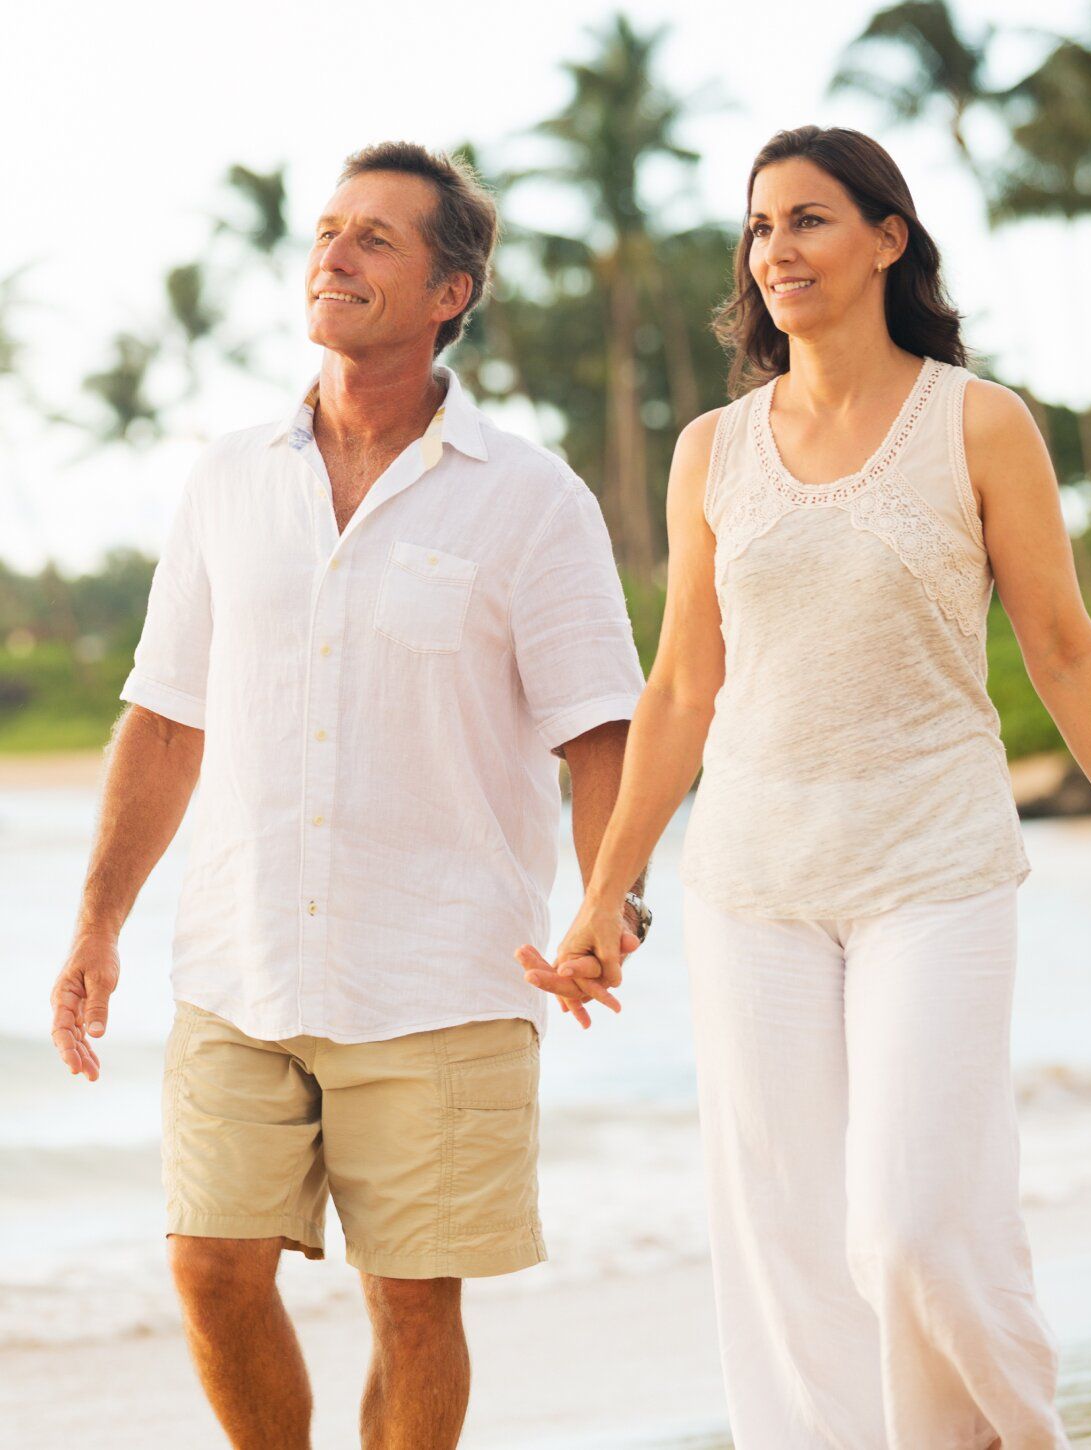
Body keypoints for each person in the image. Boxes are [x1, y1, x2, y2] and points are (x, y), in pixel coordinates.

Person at [517, 124, 1091, 1449]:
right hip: (753, 882)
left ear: (890, 239)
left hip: (935, 864)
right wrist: (607, 889)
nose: (776, 249)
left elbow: (1063, 645)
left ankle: (1009, 1434)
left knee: (911, 1226)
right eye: (759, 226)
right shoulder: (712, 449)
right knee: (787, 1244)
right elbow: (682, 687)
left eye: (809, 219)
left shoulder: (979, 421)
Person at [49, 140, 650, 1450]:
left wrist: (610, 900)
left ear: (450, 293)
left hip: (442, 970)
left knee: (414, 1307)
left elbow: (602, 731)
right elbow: (164, 716)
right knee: (209, 1267)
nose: (335, 252)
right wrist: (98, 920)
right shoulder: (228, 477)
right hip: (240, 961)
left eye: (377, 237)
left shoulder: (531, 499)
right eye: (328, 230)